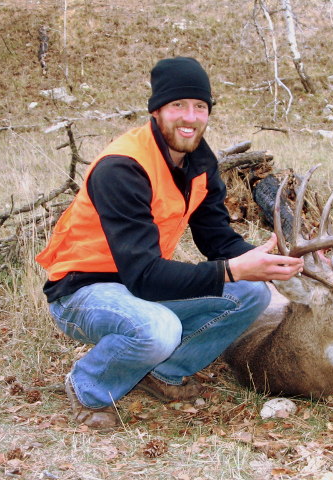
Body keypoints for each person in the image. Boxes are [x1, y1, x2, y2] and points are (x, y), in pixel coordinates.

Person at [35, 57, 304, 430]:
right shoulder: (123, 167)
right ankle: (89, 387)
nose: (190, 117)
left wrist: (279, 260)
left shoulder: (199, 161)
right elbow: (146, 276)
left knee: (252, 293)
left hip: (137, 284)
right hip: (82, 291)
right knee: (158, 329)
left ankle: (163, 372)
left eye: (200, 107)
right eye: (178, 105)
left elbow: (216, 238)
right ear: (157, 110)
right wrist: (231, 271)